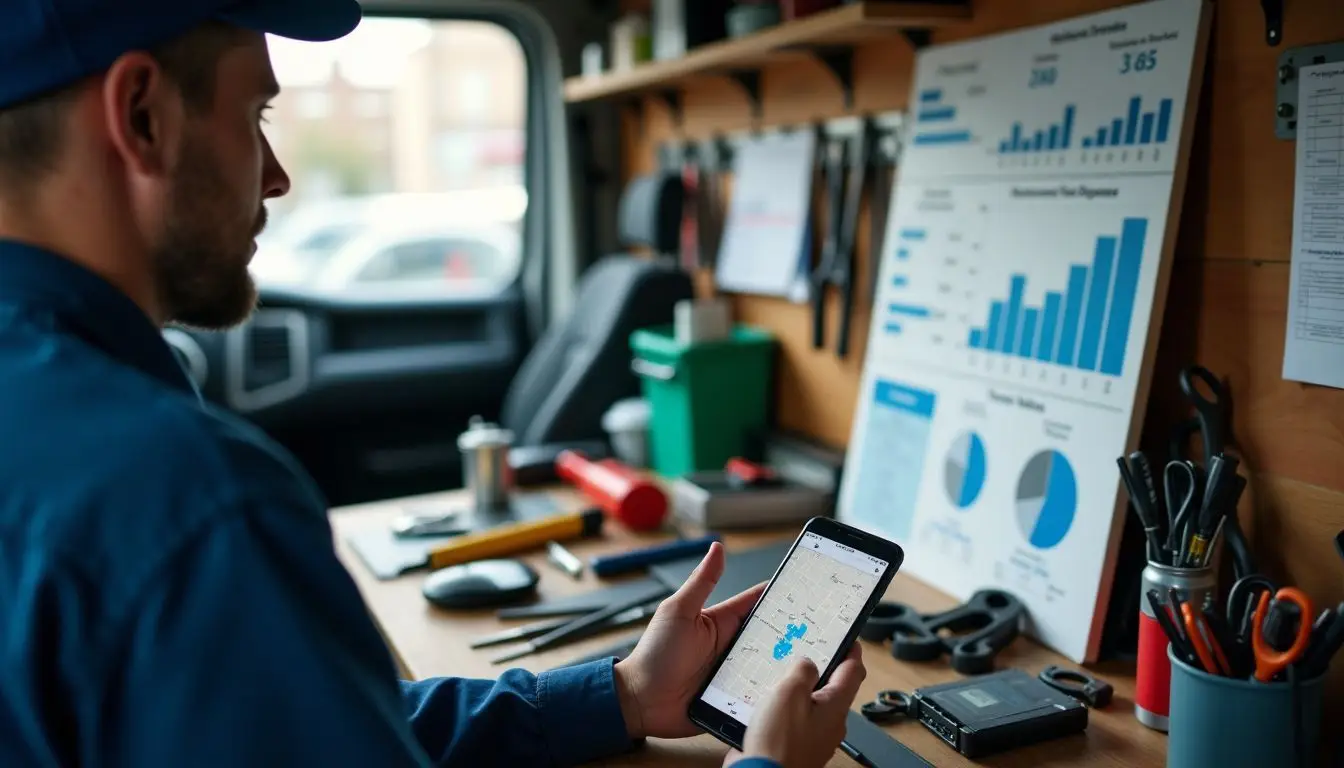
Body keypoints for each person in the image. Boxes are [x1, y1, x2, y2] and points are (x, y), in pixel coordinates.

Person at [0, 1, 867, 766]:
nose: (276, 173)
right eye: (255, 112)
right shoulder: (188, 502)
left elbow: (311, 732)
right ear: (142, 115)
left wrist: (624, 696)